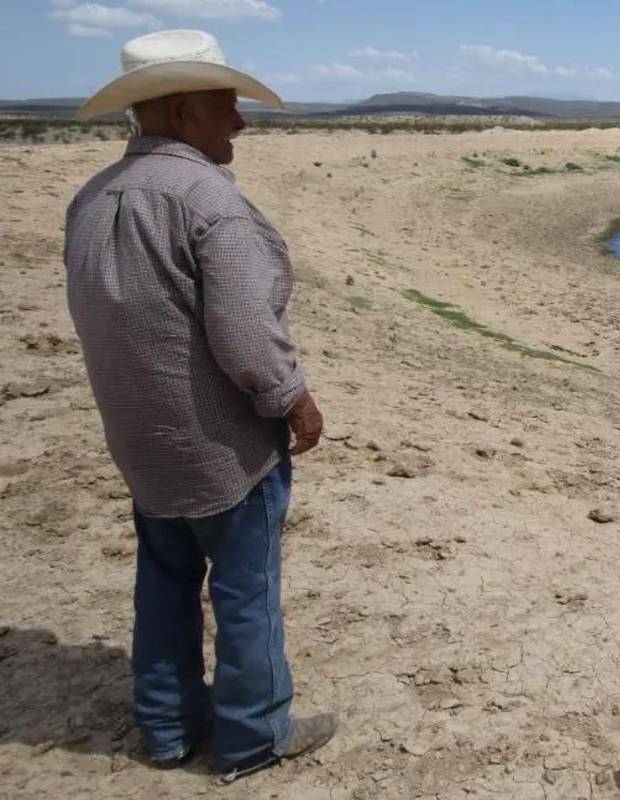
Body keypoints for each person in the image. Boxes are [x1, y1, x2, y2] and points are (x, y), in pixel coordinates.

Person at [65, 29, 336, 782]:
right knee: (247, 594)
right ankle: (252, 740)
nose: (240, 124)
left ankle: (168, 728)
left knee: (163, 582)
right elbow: (246, 334)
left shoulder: (92, 198)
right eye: (228, 108)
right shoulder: (207, 198)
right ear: (184, 113)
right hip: (221, 445)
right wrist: (294, 401)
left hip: (140, 438)